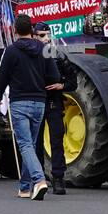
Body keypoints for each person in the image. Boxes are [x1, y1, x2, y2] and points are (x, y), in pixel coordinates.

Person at [0, 14, 62, 200]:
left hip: (19, 102)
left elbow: (2, 77)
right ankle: (25, 187)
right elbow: (54, 76)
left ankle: (39, 181)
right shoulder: (45, 48)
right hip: (40, 102)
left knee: (24, 144)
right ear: (31, 30)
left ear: (15, 30)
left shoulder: (11, 50)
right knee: (29, 145)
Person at [34, 22, 78, 194]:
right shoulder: (30, 54)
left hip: (53, 103)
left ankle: (58, 177)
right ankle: (38, 177)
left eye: (45, 35)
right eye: (40, 35)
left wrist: (61, 85)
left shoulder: (58, 55)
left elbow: (72, 81)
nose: (44, 39)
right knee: (35, 142)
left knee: (56, 141)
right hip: (35, 102)